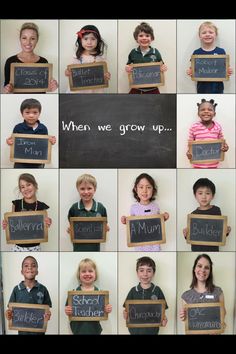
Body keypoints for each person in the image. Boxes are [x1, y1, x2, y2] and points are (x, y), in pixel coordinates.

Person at [3, 22, 58, 94]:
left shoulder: (43, 62)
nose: (28, 42)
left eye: (32, 38)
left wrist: (52, 86)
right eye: (24, 38)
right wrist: (6, 89)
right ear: (20, 39)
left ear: (37, 40)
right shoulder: (10, 61)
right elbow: (6, 85)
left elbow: (46, 86)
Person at [2, 173, 52, 251]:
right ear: (20, 190)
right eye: (22, 187)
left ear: (35, 186)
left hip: (35, 247)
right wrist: (6, 224)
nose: (26, 189)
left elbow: (45, 225)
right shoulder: (16, 204)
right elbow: (11, 224)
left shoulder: (42, 206)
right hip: (18, 247)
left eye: (28, 185)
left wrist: (48, 222)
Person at [121, 173, 169, 251]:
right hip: (140, 246)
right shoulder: (134, 208)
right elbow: (132, 225)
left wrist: (165, 217)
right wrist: (125, 220)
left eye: (148, 187)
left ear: (153, 190)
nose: (145, 191)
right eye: (141, 187)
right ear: (136, 189)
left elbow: (158, 223)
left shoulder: (155, 206)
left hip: (155, 246)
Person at [179, 254, 226, 334]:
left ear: (210, 271)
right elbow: (186, 321)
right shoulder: (186, 296)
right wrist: (183, 316)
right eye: (199, 266)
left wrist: (221, 326)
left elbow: (223, 313)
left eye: (207, 268)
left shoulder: (218, 292)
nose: (203, 270)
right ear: (194, 269)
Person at [5, 256, 52, 335]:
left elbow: (47, 310)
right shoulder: (16, 289)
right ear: (22, 271)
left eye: (33, 266)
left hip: (39, 332)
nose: (30, 268)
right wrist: (8, 314)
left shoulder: (43, 289)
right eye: (26, 266)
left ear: (37, 271)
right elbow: (10, 309)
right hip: (22, 332)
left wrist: (48, 315)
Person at [65, 258, 112, 335]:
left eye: (90, 271)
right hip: (77, 330)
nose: (87, 274)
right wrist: (67, 311)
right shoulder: (74, 294)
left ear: (95, 274)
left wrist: (107, 309)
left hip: (94, 330)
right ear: (79, 274)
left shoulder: (100, 293)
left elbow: (105, 310)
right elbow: (68, 309)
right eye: (83, 271)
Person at [183, 178, 231, 252]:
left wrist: (226, 231)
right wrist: (186, 235)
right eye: (200, 193)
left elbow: (219, 232)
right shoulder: (193, 215)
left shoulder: (216, 210)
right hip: (197, 249)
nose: (204, 197)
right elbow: (192, 236)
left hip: (212, 249)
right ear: (195, 195)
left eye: (207, 193)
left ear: (213, 195)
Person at [6, 98, 56, 168]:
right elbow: (14, 143)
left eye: (35, 112)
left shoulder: (43, 128)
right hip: (20, 163)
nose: (31, 115)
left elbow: (45, 146)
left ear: (39, 113)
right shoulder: (18, 127)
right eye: (27, 112)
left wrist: (51, 141)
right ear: (22, 113)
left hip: (38, 163)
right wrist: (9, 142)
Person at [123, 256, 168, 335]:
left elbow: (162, 312)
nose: (145, 274)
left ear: (153, 273)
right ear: (137, 272)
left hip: (152, 331)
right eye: (141, 270)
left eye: (149, 271)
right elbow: (126, 310)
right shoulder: (133, 291)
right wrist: (125, 314)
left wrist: (164, 320)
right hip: (135, 331)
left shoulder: (157, 290)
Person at [186, 21, 233, 94]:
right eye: (204, 32)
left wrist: (229, 71)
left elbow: (226, 67)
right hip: (201, 88)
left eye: (211, 32)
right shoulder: (196, 52)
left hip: (218, 88)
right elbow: (192, 68)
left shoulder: (221, 51)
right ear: (200, 36)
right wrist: (190, 71)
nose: (207, 34)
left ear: (216, 35)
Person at [67, 174, 109, 252]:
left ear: (94, 189)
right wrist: (70, 229)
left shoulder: (100, 208)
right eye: (82, 189)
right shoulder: (74, 208)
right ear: (78, 190)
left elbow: (104, 225)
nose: (86, 192)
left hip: (95, 248)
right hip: (78, 248)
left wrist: (105, 228)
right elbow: (71, 225)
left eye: (89, 188)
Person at [65, 24, 111, 93]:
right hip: (78, 92)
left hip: (95, 91)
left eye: (93, 39)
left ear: (98, 41)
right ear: (81, 40)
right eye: (85, 39)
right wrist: (67, 72)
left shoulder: (101, 58)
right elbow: (69, 71)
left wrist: (107, 76)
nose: (89, 42)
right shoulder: (76, 57)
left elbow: (105, 74)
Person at [125, 22, 167, 94]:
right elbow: (128, 65)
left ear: (152, 38)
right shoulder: (133, 52)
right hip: (137, 87)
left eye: (147, 36)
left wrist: (163, 68)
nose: (144, 38)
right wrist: (127, 68)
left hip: (153, 88)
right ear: (136, 38)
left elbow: (162, 65)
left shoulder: (155, 52)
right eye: (141, 36)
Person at [186, 98, 229, 168]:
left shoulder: (218, 127)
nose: (206, 111)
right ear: (198, 114)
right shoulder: (194, 127)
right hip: (198, 164)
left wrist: (225, 147)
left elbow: (222, 141)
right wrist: (189, 152)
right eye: (203, 110)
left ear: (214, 114)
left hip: (214, 163)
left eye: (210, 110)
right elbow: (190, 143)